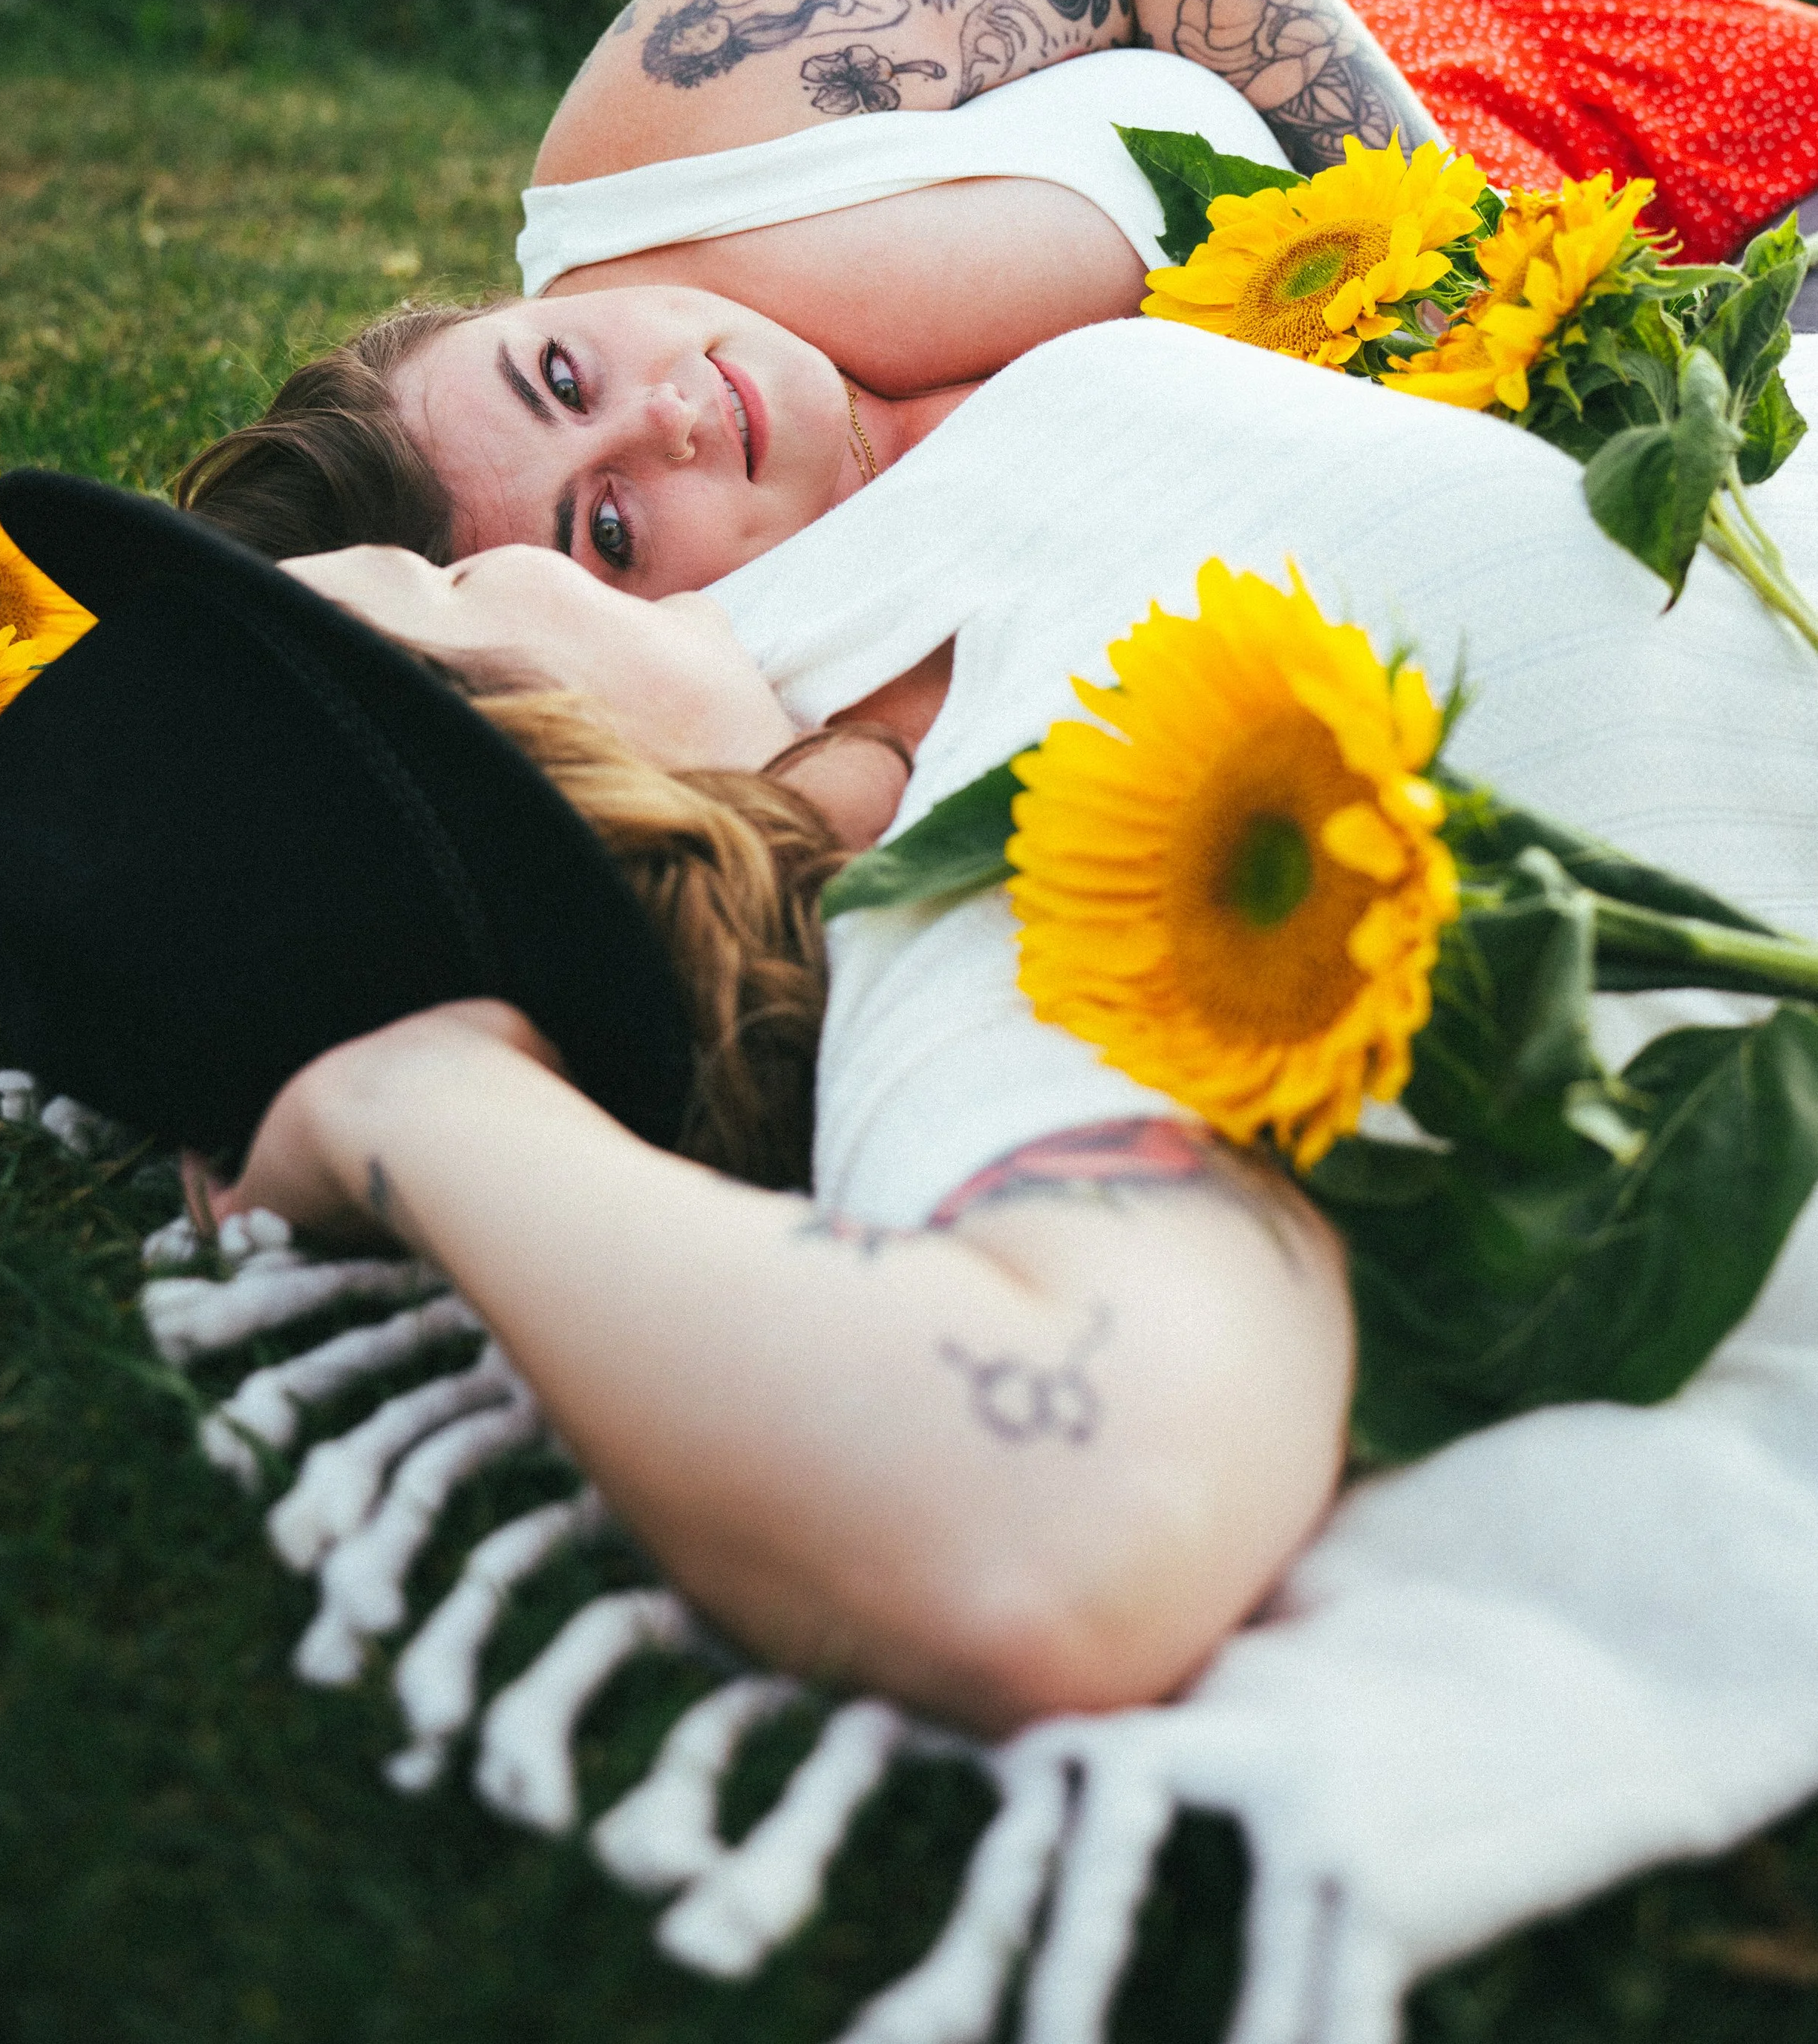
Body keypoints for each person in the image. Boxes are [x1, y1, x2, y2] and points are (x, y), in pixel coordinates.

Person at [188, 294, 1818, 1733]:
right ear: (538, 751)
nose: (662, 427)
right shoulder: (998, 905)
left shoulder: (932, 526)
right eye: (461, 576)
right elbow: (1057, 1541)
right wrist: (423, 1100)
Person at [177, 0, 1818, 592]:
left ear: (500, 310)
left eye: (558, 375)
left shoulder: (668, 132)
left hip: (1536, 116)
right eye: (606, 528)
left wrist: (1502, 286)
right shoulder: (808, 636)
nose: (663, 421)